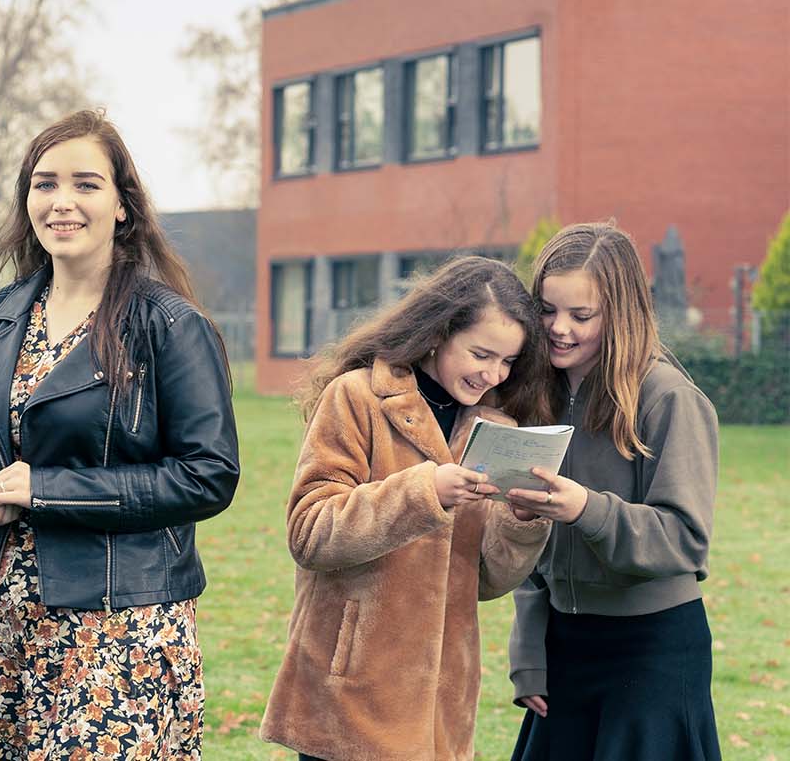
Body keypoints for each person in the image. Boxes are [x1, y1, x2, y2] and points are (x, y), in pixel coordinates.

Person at [0, 108, 240, 759]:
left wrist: (49, 490)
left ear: (123, 205)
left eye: (85, 184)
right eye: (45, 184)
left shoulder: (169, 326)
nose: (61, 201)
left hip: (119, 630)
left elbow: (208, 474)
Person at [260, 256, 555, 761]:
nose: (492, 373)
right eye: (481, 353)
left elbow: (485, 582)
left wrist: (521, 523)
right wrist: (423, 493)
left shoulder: (496, 430)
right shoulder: (356, 398)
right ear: (440, 333)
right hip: (350, 694)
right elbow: (309, 534)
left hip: (442, 703)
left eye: (507, 362)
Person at [507, 222, 721, 760]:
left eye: (582, 316)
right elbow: (528, 536)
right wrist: (530, 648)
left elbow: (684, 539)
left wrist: (586, 509)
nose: (558, 329)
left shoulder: (668, 398)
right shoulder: (534, 395)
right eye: (547, 310)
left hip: (652, 651)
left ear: (621, 313)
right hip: (564, 646)